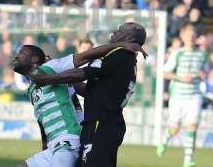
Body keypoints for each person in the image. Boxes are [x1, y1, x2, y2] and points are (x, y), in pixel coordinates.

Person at [13, 37, 145, 167]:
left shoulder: (51, 67)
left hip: (67, 141)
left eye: (22, 53)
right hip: (53, 147)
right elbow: (42, 119)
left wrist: (119, 45)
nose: (17, 56)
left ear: (34, 59)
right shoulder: (31, 89)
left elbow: (85, 56)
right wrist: (44, 146)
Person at [157, 24, 208, 167]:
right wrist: (181, 78)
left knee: (192, 126)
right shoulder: (177, 53)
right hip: (178, 96)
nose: (191, 38)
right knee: (175, 128)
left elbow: (205, 73)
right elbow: (165, 72)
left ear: (196, 37)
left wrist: (202, 75)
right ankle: (165, 138)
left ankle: (188, 159)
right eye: (188, 36)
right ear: (183, 36)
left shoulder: (202, 55)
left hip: (194, 96)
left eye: (193, 36)